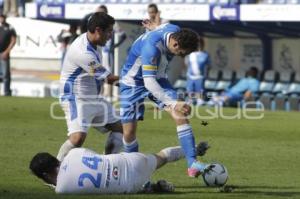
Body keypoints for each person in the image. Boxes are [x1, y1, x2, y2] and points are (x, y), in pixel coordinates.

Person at [120, 23, 209, 178]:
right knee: (129, 132)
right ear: (175, 43)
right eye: (180, 52)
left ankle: (192, 164)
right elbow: (149, 83)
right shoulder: (151, 48)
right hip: (133, 83)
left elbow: (162, 27)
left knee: (181, 113)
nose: (180, 56)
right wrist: (174, 103)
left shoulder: (174, 30)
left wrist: (155, 26)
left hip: (159, 79)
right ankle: (132, 172)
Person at [57, 12, 123, 162]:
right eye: (109, 31)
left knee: (120, 127)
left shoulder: (93, 43)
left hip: (93, 98)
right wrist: (138, 83)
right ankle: (55, 173)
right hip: (75, 98)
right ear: (98, 30)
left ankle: (108, 165)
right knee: (77, 137)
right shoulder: (83, 52)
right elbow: (109, 79)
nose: (111, 35)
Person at [29, 144, 211, 194]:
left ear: (45, 175)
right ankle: (192, 151)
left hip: (129, 185)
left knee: (122, 186)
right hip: (129, 161)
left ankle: (150, 187)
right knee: (162, 157)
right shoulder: (74, 153)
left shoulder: (61, 190)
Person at [80, 5, 126, 100]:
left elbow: (123, 35)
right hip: (96, 50)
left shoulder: (112, 24)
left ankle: (108, 95)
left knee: (106, 72)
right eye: (97, 13)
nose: (98, 15)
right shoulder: (86, 49)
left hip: (107, 52)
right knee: (99, 73)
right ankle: (101, 94)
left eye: (100, 13)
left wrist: (114, 46)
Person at [185, 37, 210, 106]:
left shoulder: (205, 54)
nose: (199, 45)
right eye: (197, 44)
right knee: (190, 89)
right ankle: (190, 100)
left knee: (200, 89)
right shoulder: (190, 54)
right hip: (190, 75)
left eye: (200, 44)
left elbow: (208, 66)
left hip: (200, 76)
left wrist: (206, 75)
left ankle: (200, 101)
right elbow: (186, 63)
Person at [0, 13, 16, 96]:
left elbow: (13, 40)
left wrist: (7, 51)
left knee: (6, 74)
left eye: (2, 17)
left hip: (4, 53)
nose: (1, 19)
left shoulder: (9, 27)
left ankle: (7, 91)